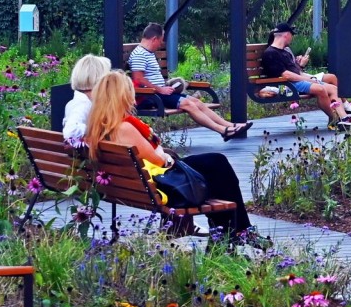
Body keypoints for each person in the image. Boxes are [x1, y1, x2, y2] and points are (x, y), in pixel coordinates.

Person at [85, 72, 253, 239]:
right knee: (218, 166)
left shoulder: (98, 126)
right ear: (122, 96)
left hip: (135, 186)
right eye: (130, 91)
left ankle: (233, 233)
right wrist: (166, 155)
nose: (133, 95)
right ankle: (238, 233)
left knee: (217, 170)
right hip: (162, 185)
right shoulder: (123, 128)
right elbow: (159, 161)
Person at [127, 24, 250, 140]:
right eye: (161, 40)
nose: (161, 44)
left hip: (162, 92)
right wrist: (160, 89)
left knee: (196, 102)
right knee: (189, 104)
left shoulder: (147, 53)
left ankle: (230, 126)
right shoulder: (139, 54)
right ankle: (223, 131)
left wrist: (169, 85)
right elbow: (138, 79)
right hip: (153, 95)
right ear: (154, 39)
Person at [258, 23, 351, 127]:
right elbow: (287, 75)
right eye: (292, 34)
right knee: (321, 89)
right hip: (285, 85)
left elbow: (297, 72)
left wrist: (310, 77)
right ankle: (334, 119)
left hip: (296, 81)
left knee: (333, 88)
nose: (292, 37)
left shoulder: (284, 52)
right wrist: (309, 80)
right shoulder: (271, 53)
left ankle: (344, 118)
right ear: (286, 35)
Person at [62, 53, 112, 146]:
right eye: (107, 81)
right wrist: (97, 129)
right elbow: (70, 130)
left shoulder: (75, 102)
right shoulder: (83, 104)